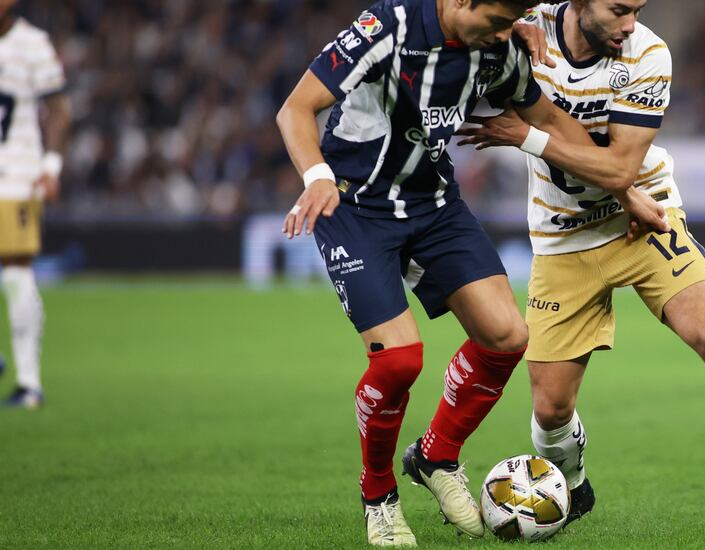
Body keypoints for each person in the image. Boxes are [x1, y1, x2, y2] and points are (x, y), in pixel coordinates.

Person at [276, 0, 668, 545]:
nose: (514, 33)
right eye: (501, 21)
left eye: (515, 21)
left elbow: (553, 123)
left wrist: (626, 191)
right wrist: (315, 175)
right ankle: (379, 495)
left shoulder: (498, 49)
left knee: (507, 337)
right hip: (354, 208)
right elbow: (295, 108)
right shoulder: (388, 28)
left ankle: (436, 457)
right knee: (398, 363)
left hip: (435, 208)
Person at [456, 0, 705, 526]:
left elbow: (620, 166)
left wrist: (524, 135)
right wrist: (504, 34)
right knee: (550, 411)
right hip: (562, 238)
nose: (630, 24)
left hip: (643, 218)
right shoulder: (528, 27)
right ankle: (575, 487)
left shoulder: (647, 55)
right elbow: (458, 25)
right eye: (619, 10)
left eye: (637, 10)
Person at [0, 0, 70, 410]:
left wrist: (51, 166)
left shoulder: (32, 44)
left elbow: (59, 108)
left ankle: (29, 383)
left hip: (15, 176)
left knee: (15, 264)